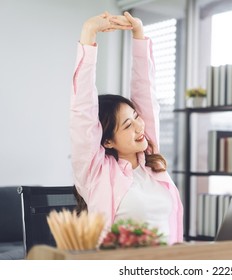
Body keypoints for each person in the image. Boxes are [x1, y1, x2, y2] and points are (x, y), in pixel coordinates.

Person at [70, 11, 183, 245]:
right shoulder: (96, 172)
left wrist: (139, 34)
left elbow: (145, 92)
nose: (140, 126)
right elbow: (82, 110)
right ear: (107, 141)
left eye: (136, 117)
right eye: (128, 125)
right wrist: (89, 32)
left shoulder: (150, 163)